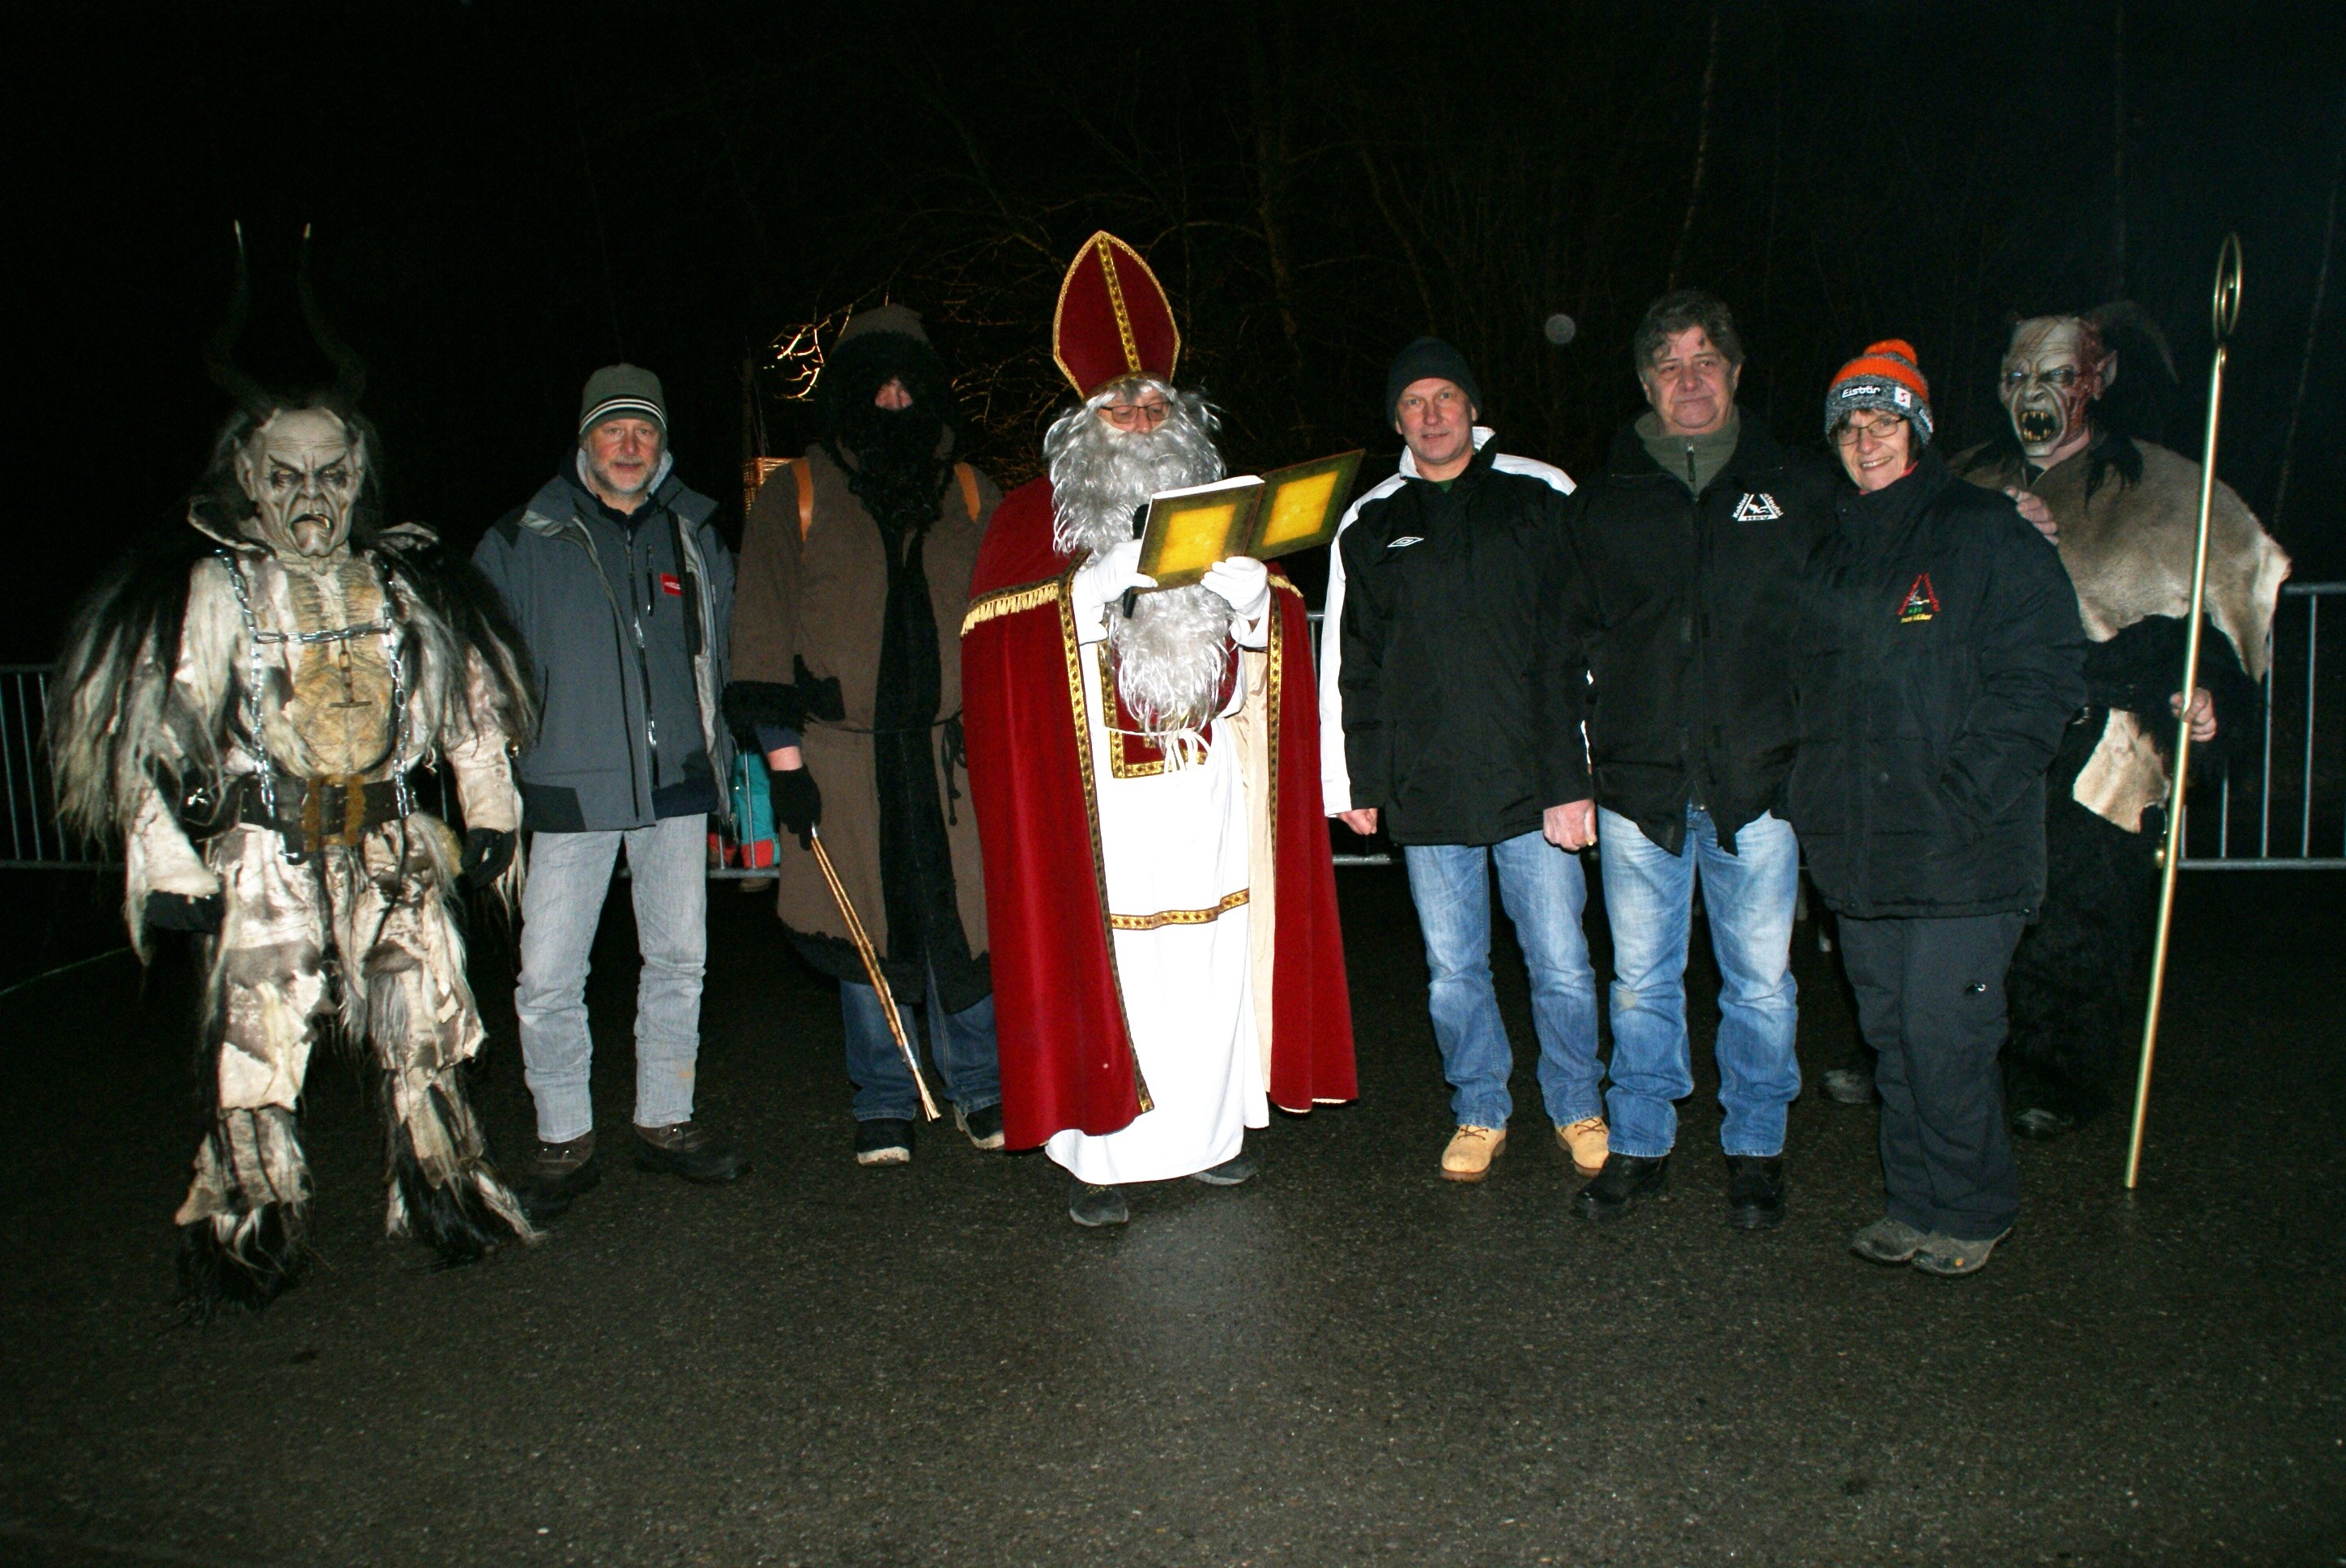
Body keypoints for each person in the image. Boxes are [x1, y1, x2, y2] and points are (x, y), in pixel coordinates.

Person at [50, 243, 537, 1314]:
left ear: (358, 473)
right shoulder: (215, 591)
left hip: (391, 841)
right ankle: (249, 1230)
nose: (310, 496)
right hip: (265, 850)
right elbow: (151, 730)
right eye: (285, 474)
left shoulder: (404, 582)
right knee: (259, 1036)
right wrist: (167, 859)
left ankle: (446, 1193)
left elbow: (466, 707)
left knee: (426, 1017)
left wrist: (489, 802)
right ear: (245, 476)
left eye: (331, 473)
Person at [960, 231, 1356, 1227]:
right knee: (1119, 966)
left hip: (1205, 790)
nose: (1141, 422)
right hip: (1101, 808)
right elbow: (999, 658)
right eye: (1119, 407)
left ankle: (1209, 1136)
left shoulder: (1223, 512)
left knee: (1213, 956)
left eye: (1155, 406)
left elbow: (1270, 667)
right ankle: (1104, 1157)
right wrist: (1096, 585)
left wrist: (1256, 606)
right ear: (1082, 425)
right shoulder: (1031, 521)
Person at [1948, 309, 2287, 1139]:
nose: (2035, 394)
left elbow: (2206, 626)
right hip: (1983, 732)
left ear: (2097, 381)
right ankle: (1945, 1059)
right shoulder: (1959, 482)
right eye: (2019, 376)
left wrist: (2205, 698)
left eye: (2058, 376)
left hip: (2101, 737)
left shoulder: (2165, 493)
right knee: (1964, 911)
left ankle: (2056, 1072)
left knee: (2078, 916)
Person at [1789, 341, 2084, 1276]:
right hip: (1862, 848)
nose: (1865, 439)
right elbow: (1804, 692)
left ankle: (1971, 1207)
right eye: (1849, 424)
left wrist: (1967, 792)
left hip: (1963, 847)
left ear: (1916, 430)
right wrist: (1810, 800)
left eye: (1884, 420)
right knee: (1889, 1037)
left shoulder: (1985, 531)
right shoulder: (1830, 551)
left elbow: (2042, 676)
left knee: (1944, 1035)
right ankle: (1913, 1201)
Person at [1551, 290, 1836, 1227]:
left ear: (1735, 373)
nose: (1688, 379)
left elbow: (1867, 582)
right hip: (1639, 787)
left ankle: (1755, 1145)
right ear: (1644, 383)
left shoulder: (1798, 488)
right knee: (1640, 982)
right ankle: (1640, 1142)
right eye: (1668, 364)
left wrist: (2003, 507)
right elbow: (1559, 650)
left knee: (1761, 985)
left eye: (1705, 359)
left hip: (1759, 785)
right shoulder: (1602, 503)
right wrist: (1565, 779)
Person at [726, 304, 1005, 1167]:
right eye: (876, 385)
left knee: (964, 922)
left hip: (951, 757)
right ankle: (885, 1097)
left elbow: (1015, 616)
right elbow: (762, 630)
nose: (893, 399)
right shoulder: (797, 493)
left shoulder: (970, 493)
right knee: (864, 928)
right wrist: (786, 767)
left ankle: (981, 1084)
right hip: (840, 758)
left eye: (907, 384)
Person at [1319, 338, 1600, 1183]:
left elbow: (1583, 639)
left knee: (1561, 962)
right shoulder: (1371, 521)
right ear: (1397, 420)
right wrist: (1354, 779)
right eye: (1414, 402)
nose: (1431, 414)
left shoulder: (1541, 493)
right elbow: (1349, 661)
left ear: (1472, 407)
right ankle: (1479, 1108)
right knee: (1451, 970)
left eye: (1445, 396)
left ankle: (1577, 1103)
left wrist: (1583, 772)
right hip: (1428, 784)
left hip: (1535, 782)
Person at [474, 364, 744, 1219]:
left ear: (662, 444)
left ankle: (665, 1119)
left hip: (676, 784)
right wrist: (493, 786)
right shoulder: (522, 538)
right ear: (585, 440)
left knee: (679, 961)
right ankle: (563, 1136)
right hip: (570, 786)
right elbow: (480, 675)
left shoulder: (693, 532)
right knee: (549, 974)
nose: (629, 447)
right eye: (612, 431)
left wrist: (728, 747)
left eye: (644, 432)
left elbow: (726, 649)